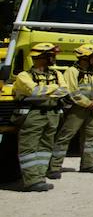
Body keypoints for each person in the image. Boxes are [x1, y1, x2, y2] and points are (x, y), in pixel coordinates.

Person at [11, 42, 69, 191]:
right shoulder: (24, 76)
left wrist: (48, 91)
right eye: (52, 56)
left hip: (52, 114)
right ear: (42, 57)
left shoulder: (56, 74)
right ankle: (31, 181)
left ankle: (40, 177)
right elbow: (35, 91)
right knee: (29, 147)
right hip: (33, 114)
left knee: (46, 147)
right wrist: (54, 88)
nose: (54, 58)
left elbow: (64, 90)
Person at [50, 43, 93, 176]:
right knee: (65, 136)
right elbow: (72, 92)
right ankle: (54, 167)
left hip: (91, 108)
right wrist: (88, 103)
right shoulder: (72, 71)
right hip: (76, 109)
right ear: (85, 57)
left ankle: (88, 164)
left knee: (90, 136)